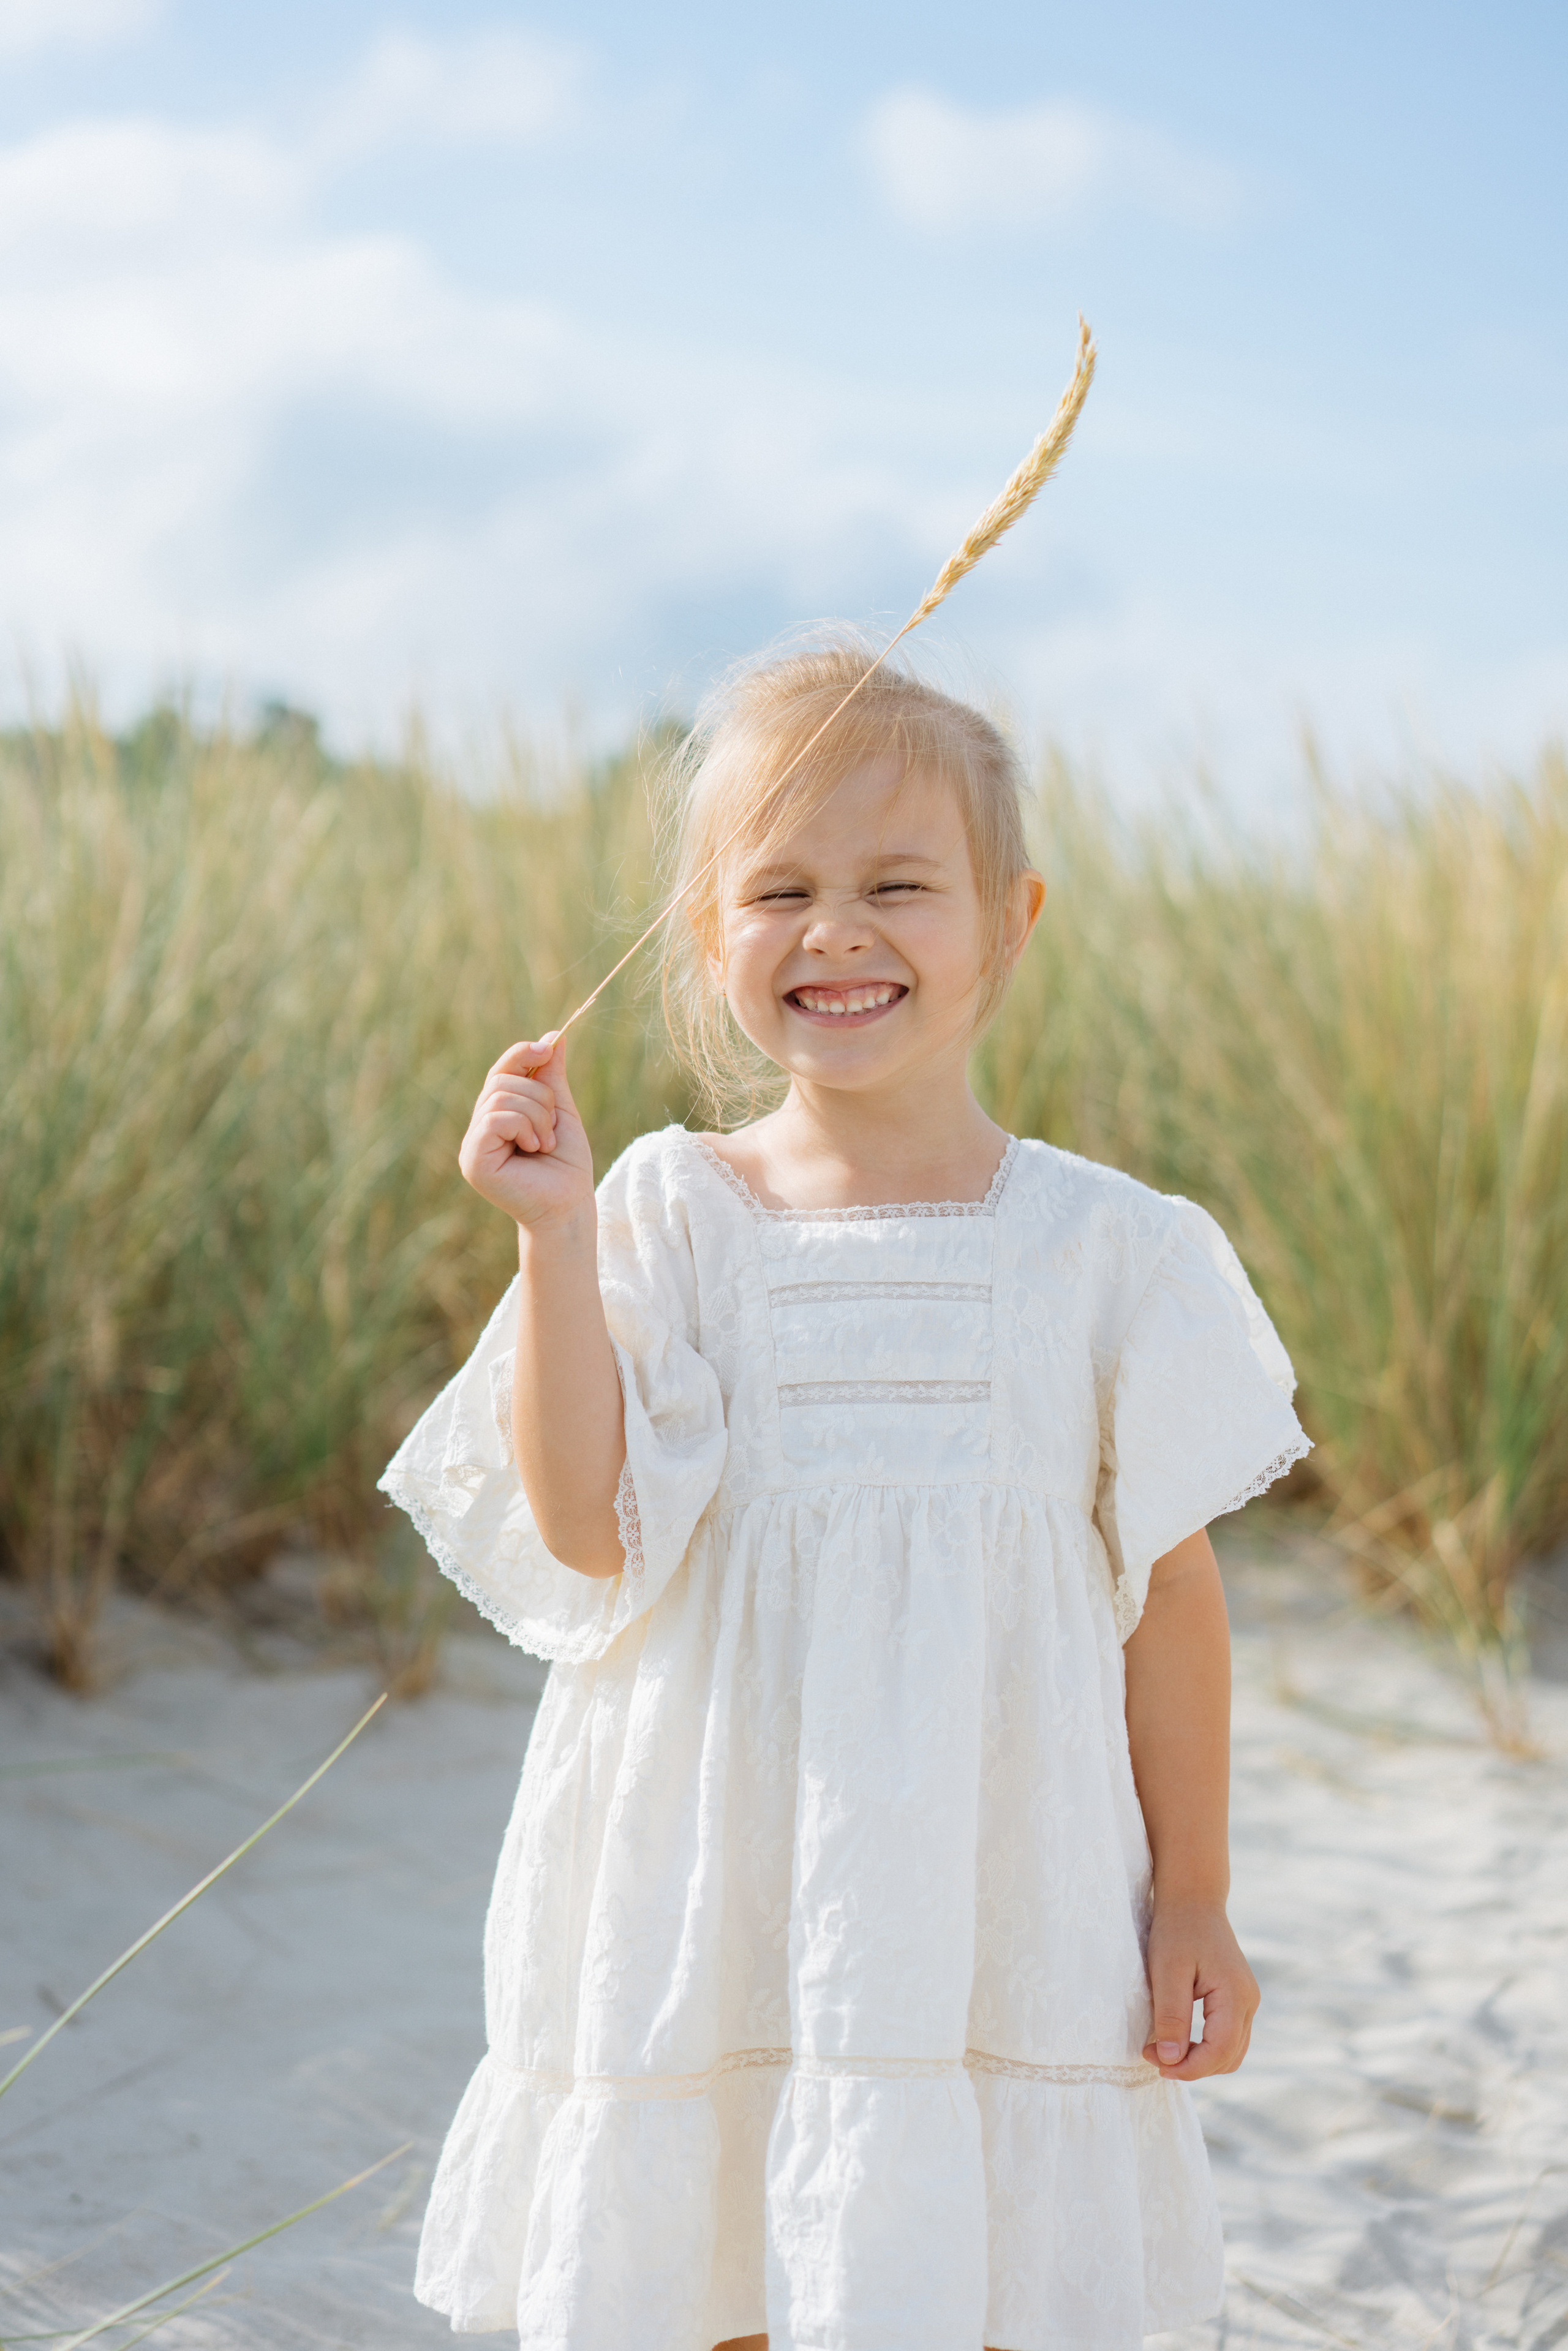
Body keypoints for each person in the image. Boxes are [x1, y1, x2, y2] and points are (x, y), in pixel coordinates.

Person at [380, 641, 1310, 2351]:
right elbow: (590, 1530)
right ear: (703, 934)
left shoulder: (1113, 1251)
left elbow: (1169, 1593)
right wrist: (554, 1238)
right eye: (781, 889)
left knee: (971, 2276)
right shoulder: (668, 1213)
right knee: (722, 2256)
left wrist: (1195, 1892)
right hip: (719, 1889)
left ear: (1012, 920)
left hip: (991, 1892)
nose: (838, 930)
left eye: (900, 884)